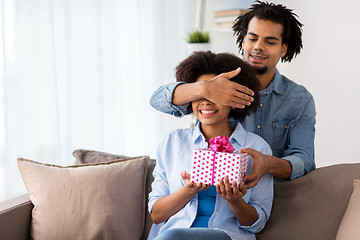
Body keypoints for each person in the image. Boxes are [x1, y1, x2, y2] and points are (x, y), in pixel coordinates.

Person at [150, 1, 316, 188]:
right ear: (243, 40)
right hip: (215, 193)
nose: (258, 47)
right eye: (252, 38)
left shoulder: (300, 99)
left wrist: (268, 163)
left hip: (273, 193)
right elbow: (157, 100)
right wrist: (203, 88)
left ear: (283, 48)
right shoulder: (217, 81)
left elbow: (305, 160)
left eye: (270, 42)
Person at [148, 51, 273, 240]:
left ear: (234, 99)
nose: (206, 101)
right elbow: (156, 215)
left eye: (216, 94)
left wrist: (235, 200)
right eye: (201, 93)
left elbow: (257, 223)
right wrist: (188, 190)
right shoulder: (172, 142)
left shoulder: (256, 148)